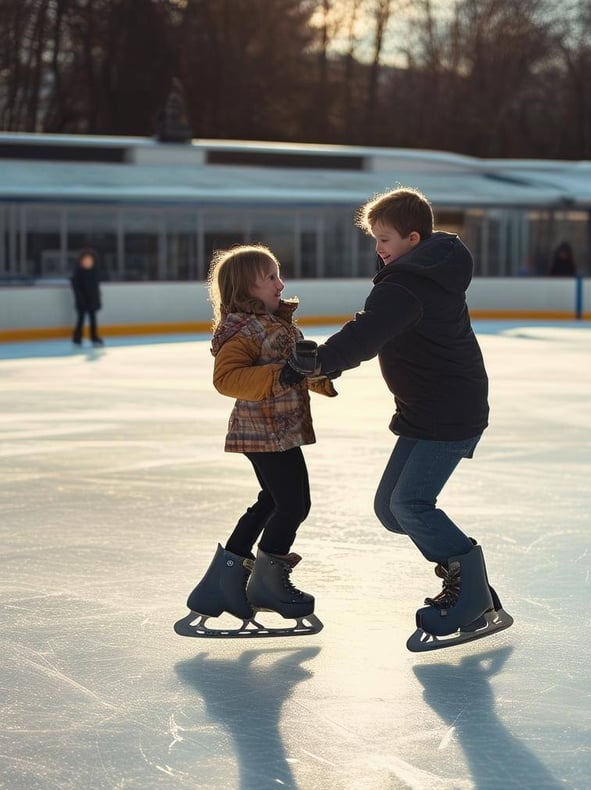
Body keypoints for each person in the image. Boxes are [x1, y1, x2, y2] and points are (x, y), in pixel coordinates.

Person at [304, 187, 513, 651]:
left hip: (449, 412)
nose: (378, 248)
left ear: (413, 238)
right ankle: (474, 584)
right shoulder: (416, 275)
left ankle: (469, 587)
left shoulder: (409, 285)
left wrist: (318, 361)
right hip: (428, 411)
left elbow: (366, 334)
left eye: (384, 239)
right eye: (374, 239)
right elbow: (372, 329)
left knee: (411, 506)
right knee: (390, 509)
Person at [174, 244, 336, 638]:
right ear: (246, 287)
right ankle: (267, 582)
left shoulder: (278, 323)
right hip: (263, 431)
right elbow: (226, 379)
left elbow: (293, 366)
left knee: (273, 502)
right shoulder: (242, 330)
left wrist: (320, 373)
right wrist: (282, 376)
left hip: (280, 430)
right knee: (294, 504)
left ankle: (222, 582)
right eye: (270, 278)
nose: (281, 284)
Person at [70, 248, 103, 346]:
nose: (88, 262)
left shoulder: (95, 273)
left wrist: (98, 300)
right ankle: (77, 338)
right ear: (81, 261)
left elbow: (96, 288)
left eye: (90, 260)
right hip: (82, 300)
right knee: (80, 319)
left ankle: (94, 337)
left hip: (92, 300)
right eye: (85, 260)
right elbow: (76, 288)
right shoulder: (77, 274)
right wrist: (80, 299)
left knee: (93, 319)